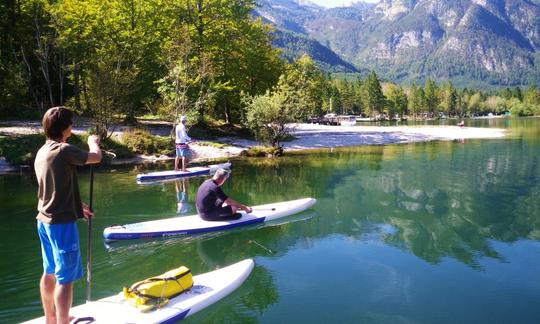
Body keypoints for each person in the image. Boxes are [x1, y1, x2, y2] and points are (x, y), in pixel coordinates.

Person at [34, 106, 101, 324]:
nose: (72, 125)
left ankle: (51, 318)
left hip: (44, 221)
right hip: (61, 224)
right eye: (71, 122)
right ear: (64, 127)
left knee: (50, 271)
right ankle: (63, 322)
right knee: (66, 278)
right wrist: (94, 143)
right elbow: (95, 158)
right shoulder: (64, 150)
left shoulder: (43, 151)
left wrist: (77, 204)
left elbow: (53, 187)